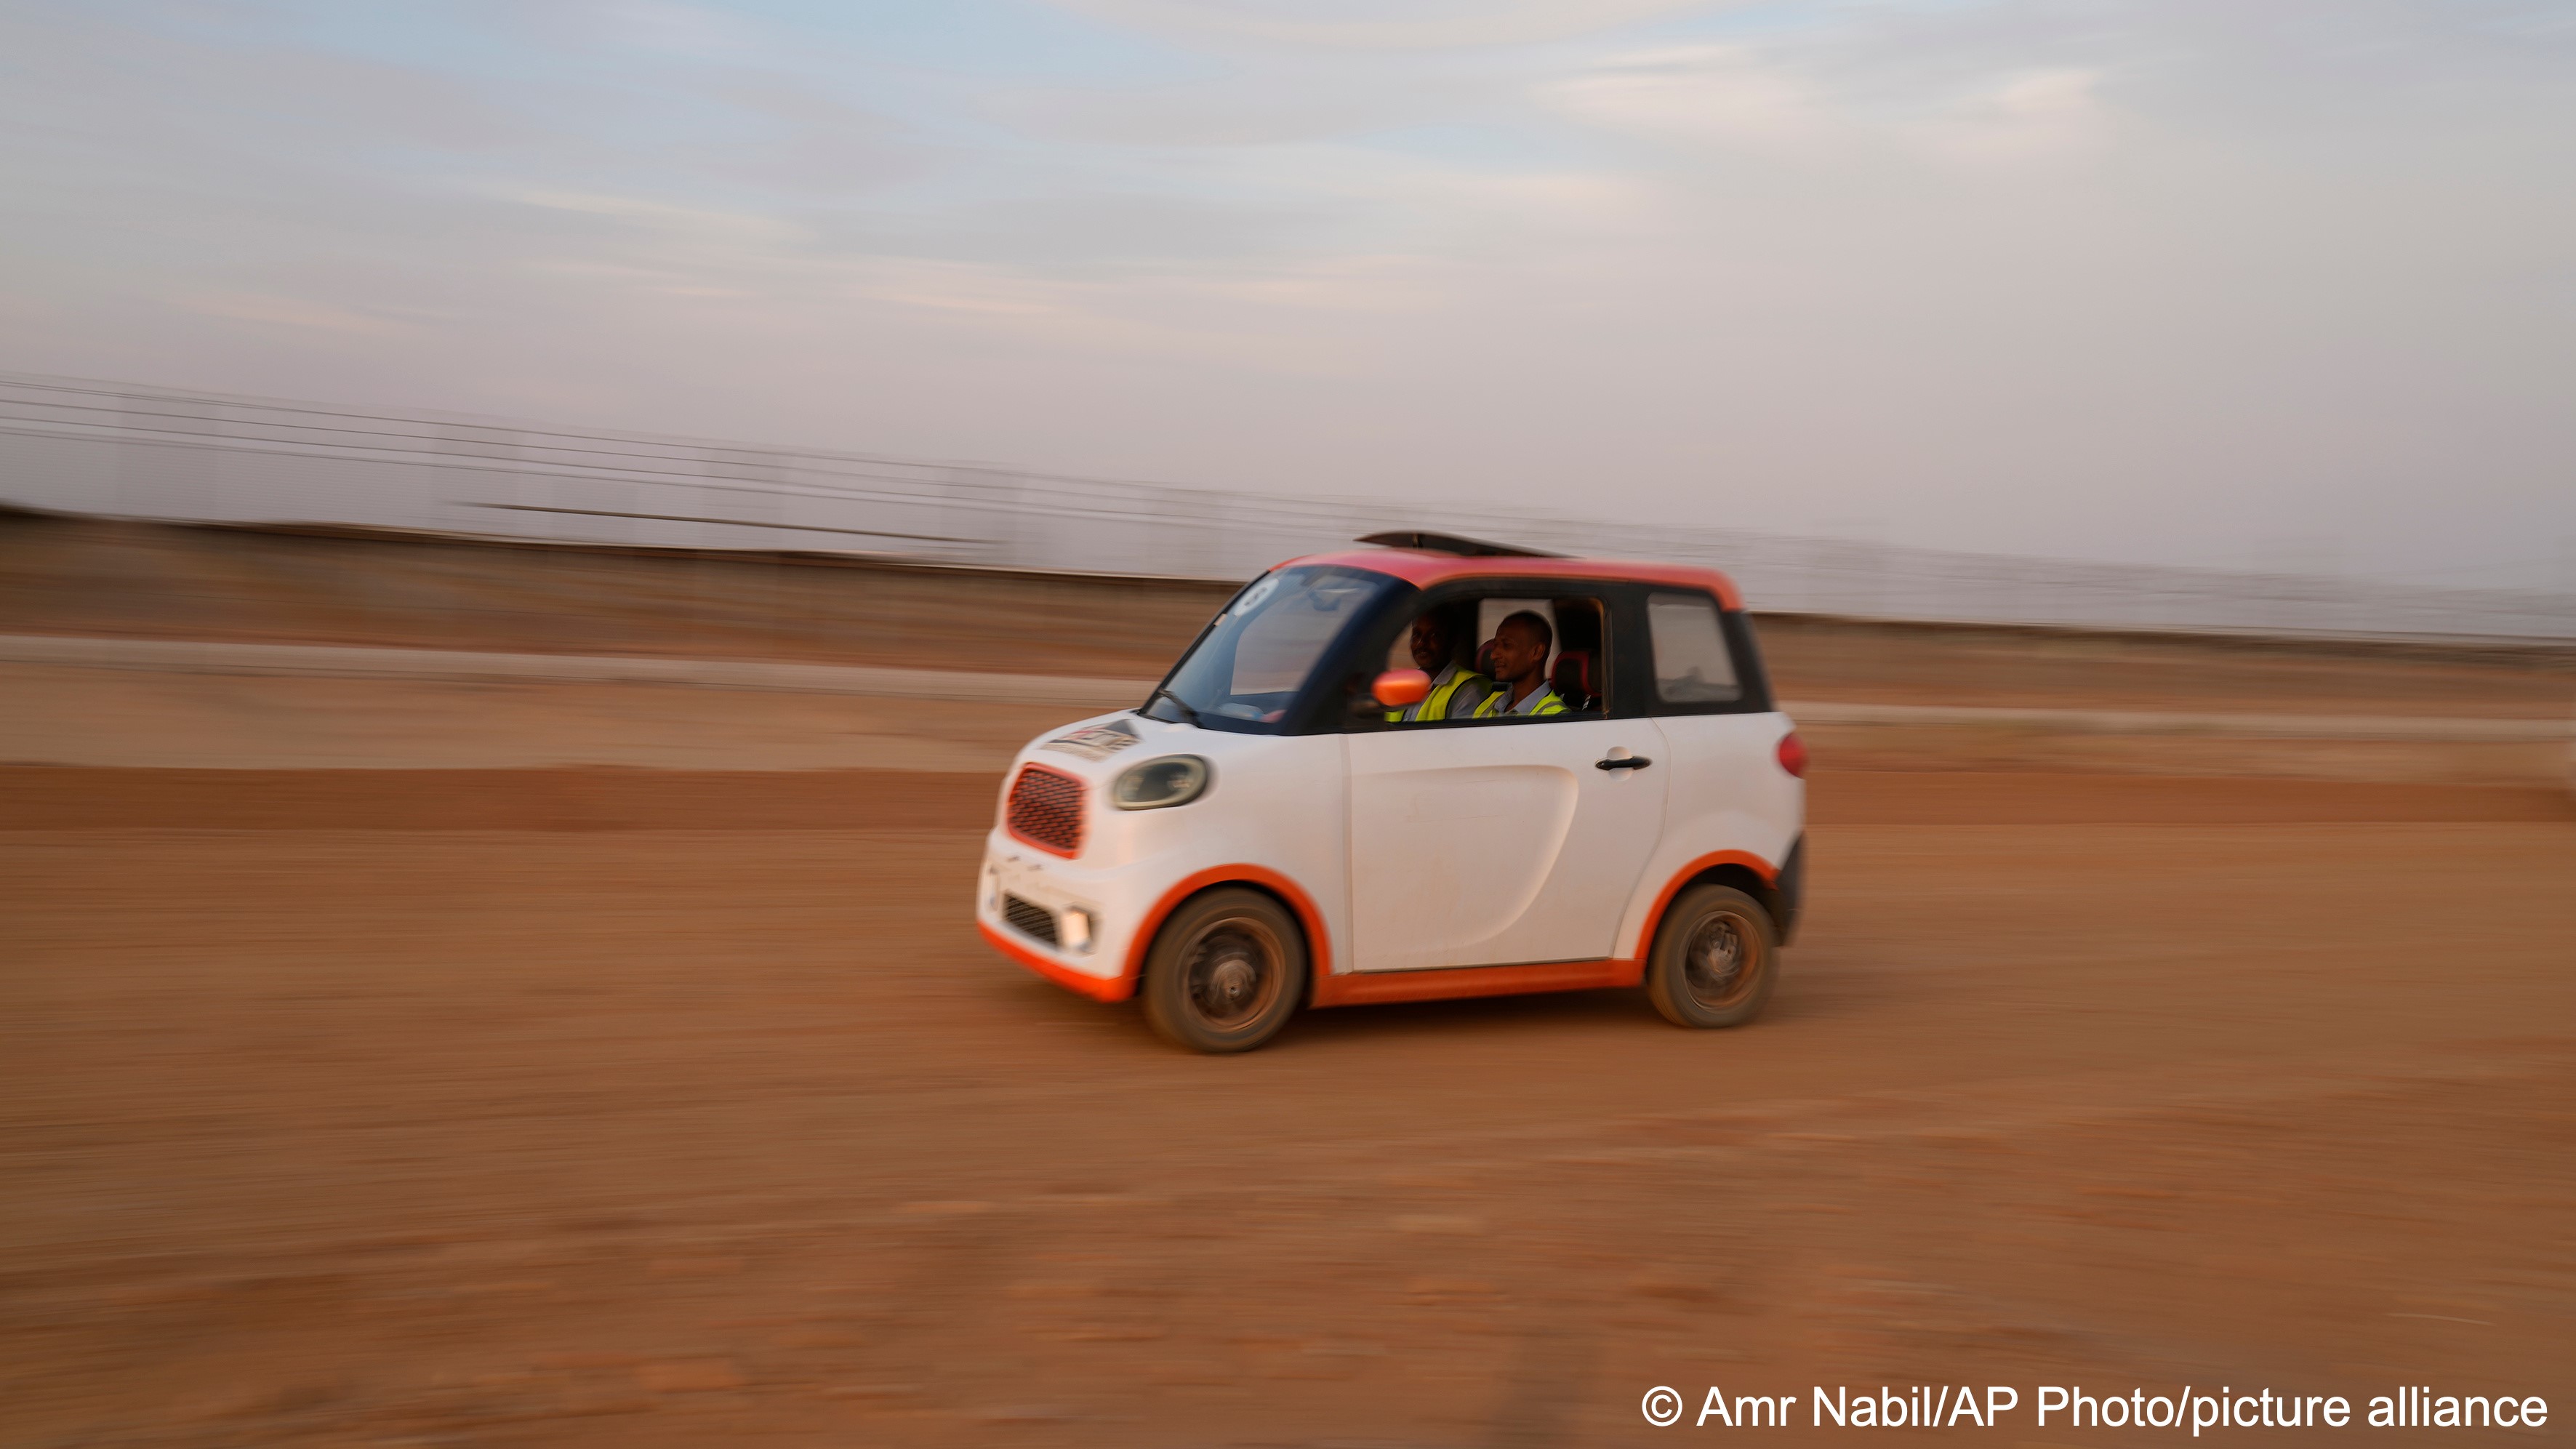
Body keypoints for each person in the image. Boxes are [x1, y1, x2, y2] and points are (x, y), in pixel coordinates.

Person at [1387, 609, 1493, 721]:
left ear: (1452, 641)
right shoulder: (1403, 686)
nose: (1421, 643)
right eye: (1416, 635)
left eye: (1434, 636)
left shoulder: (1468, 692)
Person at [1472, 611, 1567, 717]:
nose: (1493, 655)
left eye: (1507, 645)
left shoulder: (1556, 717)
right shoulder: (1490, 704)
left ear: (1536, 652)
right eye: (1495, 645)